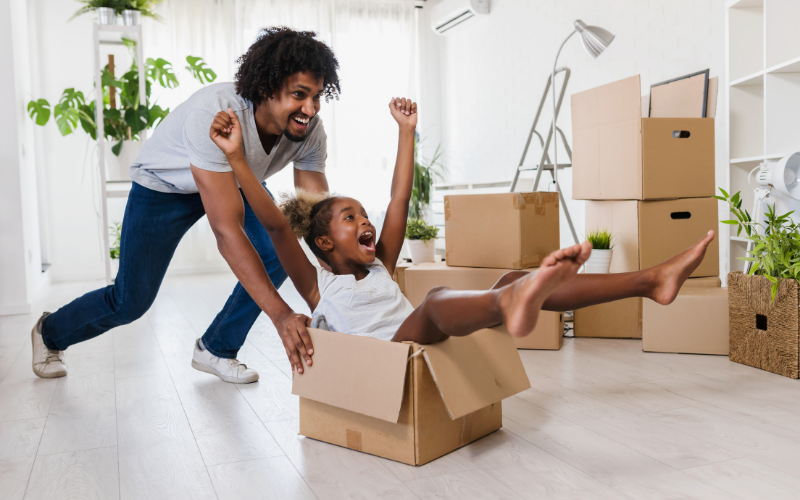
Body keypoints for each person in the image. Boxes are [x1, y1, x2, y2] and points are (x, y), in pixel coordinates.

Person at [207, 97, 717, 352]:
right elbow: (275, 227)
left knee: (513, 280)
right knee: (433, 303)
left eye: (363, 216)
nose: (366, 222)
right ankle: (510, 301)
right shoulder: (319, 286)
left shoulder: (381, 266)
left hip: (425, 346)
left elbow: (399, 198)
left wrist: (406, 133)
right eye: (349, 218)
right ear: (323, 242)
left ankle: (649, 281)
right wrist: (236, 160)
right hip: (392, 359)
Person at [31, 27, 337, 383]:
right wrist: (283, 316)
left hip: (232, 174)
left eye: (317, 96)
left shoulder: (309, 130)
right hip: (165, 186)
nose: (310, 109)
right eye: (299, 95)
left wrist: (336, 300)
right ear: (266, 90)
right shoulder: (217, 116)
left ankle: (216, 348)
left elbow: (317, 221)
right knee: (131, 301)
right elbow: (228, 233)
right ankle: (49, 332)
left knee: (275, 251)